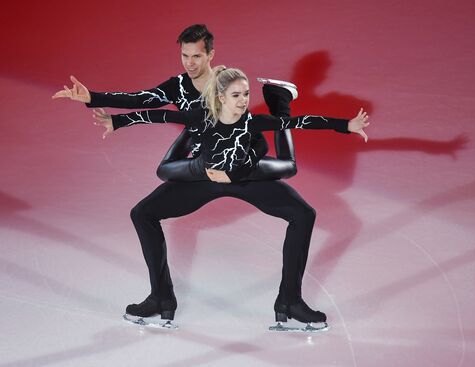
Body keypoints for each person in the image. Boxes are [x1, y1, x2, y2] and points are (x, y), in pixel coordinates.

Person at [92, 66, 369, 331]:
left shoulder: (252, 122)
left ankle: (290, 301)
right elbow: (159, 116)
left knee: (303, 214)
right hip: (203, 180)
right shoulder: (200, 118)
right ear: (221, 97)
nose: (243, 101)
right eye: (236, 95)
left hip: (247, 177)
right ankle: (161, 298)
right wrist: (116, 120)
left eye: (247, 94)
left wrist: (346, 125)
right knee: (142, 213)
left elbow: (300, 122)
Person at [52, 24, 297, 183]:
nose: (189, 63)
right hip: (204, 150)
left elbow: (247, 126)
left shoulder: (225, 81)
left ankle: (281, 98)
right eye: (185, 56)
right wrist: (93, 98)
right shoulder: (176, 85)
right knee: (166, 169)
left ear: (210, 55)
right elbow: (139, 99)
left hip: (236, 151)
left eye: (197, 56)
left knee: (288, 167)